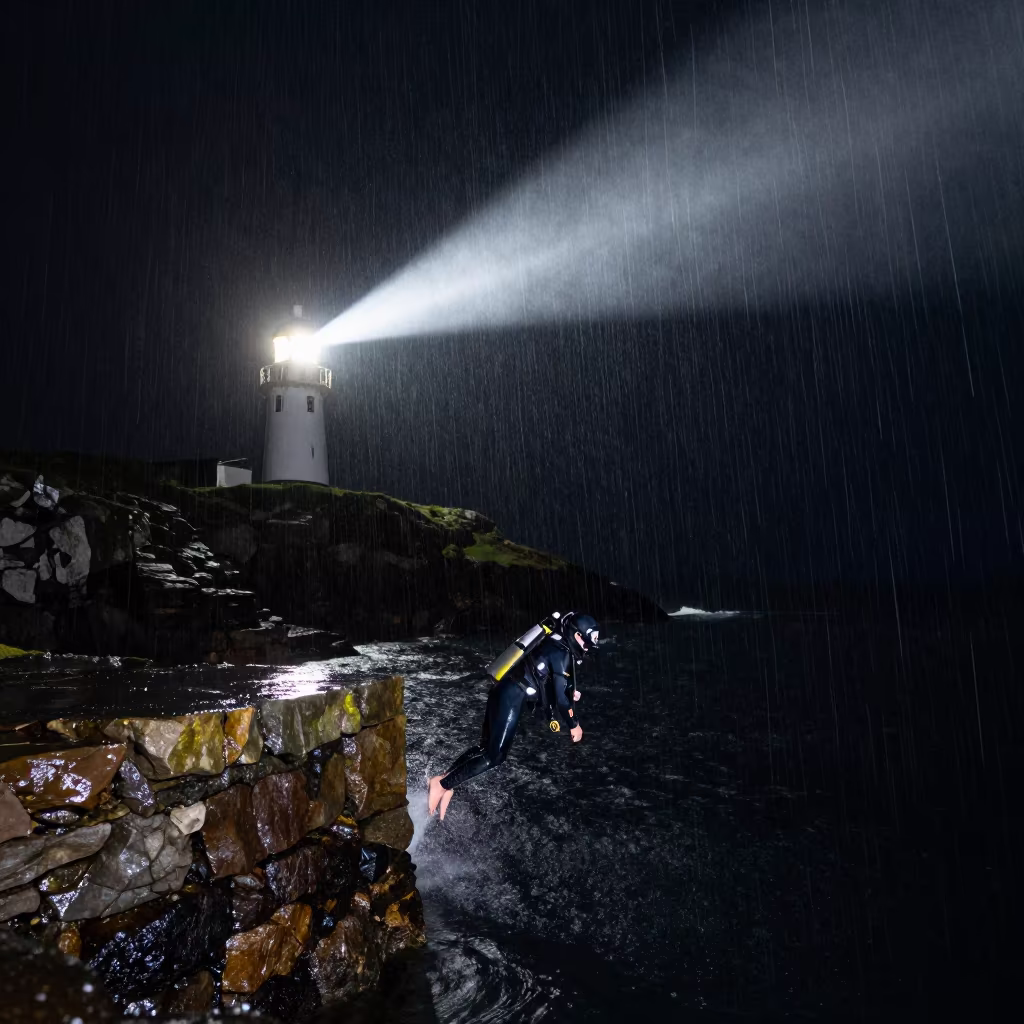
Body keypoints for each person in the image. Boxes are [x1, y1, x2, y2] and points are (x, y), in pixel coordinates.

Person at [427, 612, 600, 820]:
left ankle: (445, 780)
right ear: (576, 635)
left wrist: (567, 693)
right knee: (495, 756)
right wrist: (574, 725)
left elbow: (547, 681)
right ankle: (442, 784)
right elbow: (563, 702)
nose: (587, 648)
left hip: (503, 689)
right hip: (511, 695)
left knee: (485, 748)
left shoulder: (554, 644)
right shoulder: (561, 652)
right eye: (586, 642)